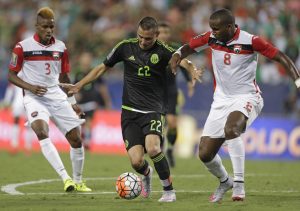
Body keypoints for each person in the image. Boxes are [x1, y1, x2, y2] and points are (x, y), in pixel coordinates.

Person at [61, 16, 202, 202]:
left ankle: (169, 191)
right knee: (136, 162)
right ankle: (146, 173)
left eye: (148, 38)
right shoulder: (125, 47)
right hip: (129, 113)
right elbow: (101, 68)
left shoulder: (163, 50)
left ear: (157, 35)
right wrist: (79, 85)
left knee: (153, 149)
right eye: (140, 37)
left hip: (153, 110)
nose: (143, 42)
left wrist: (192, 69)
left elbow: (182, 59)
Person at [170, 8, 300, 202]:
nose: (213, 32)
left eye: (217, 29)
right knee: (205, 153)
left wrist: (297, 82)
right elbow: (188, 47)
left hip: (247, 97)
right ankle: (225, 181)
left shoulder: (251, 41)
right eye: (211, 29)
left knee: (232, 129)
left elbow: (280, 56)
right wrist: (176, 55)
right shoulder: (211, 38)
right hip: (221, 100)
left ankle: (239, 185)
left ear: (230, 27)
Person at [7, 7, 91, 192]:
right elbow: (11, 75)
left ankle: (78, 180)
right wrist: (30, 87)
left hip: (56, 96)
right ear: (37, 26)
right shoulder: (22, 47)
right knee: (41, 131)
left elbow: (64, 78)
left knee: (76, 140)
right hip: (33, 97)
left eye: (51, 27)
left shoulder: (60, 47)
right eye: (45, 27)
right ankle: (65, 178)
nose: (49, 30)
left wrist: (74, 103)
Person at [158, 22, 195, 167]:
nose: (164, 35)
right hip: (155, 92)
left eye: (167, 32)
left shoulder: (175, 49)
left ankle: (170, 149)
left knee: (172, 123)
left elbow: (184, 64)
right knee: (158, 125)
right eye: (161, 32)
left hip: (171, 91)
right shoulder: (151, 48)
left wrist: (189, 82)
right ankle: (158, 152)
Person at [74, 52, 112, 149]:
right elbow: (74, 87)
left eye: (87, 58)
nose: (85, 60)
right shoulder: (78, 73)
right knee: (79, 123)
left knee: (88, 122)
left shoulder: (94, 71)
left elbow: (103, 88)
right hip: (80, 103)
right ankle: (79, 141)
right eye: (84, 58)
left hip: (91, 102)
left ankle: (87, 142)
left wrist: (107, 102)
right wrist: (75, 96)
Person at [1, 83, 33, 154]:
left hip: (18, 103)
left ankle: (14, 145)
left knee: (16, 123)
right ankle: (27, 147)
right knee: (28, 125)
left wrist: (6, 102)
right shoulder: (31, 75)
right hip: (28, 103)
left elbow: (10, 89)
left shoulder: (15, 75)